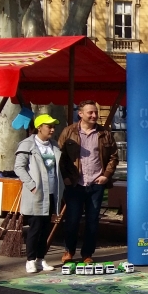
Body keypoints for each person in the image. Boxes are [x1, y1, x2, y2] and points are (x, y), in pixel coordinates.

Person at [59, 100, 120, 265]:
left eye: (95, 112)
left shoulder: (104, 133)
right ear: (80, 114)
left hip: (96, 184)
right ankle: (69, 251)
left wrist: (106, 175)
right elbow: (61, 157)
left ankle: (87, 254)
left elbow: (114, 157)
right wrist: (65, 176)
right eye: (90, 113)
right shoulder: (69, 132)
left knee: (92, 221)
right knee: (72, 220)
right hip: (75, 184)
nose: (94, 115)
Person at [14, 114, 64, 274]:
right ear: (39, 127)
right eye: (49, 126)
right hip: (36, 193)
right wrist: (32, 185)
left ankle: (41, 259)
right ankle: (30, 260)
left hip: (51, 192)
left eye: (53, 126)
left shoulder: (54, 146)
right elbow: (19, 167)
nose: (52, 129)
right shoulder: (27, 145)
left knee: (45, 228)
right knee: (35, 228)